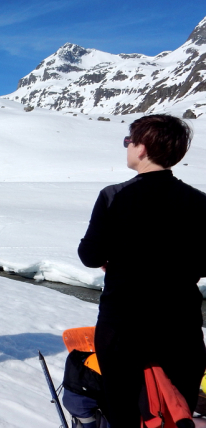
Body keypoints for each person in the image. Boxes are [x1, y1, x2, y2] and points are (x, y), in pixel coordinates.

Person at [78, 114, 206, 427]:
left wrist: (119, 258)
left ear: (143, 148)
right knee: (178, 416)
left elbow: (90, 255)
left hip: (124, 325)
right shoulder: (200, 201)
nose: (127, 146)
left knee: (124, 415)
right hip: (182, 328)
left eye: (129, 141)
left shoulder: (114, 196)